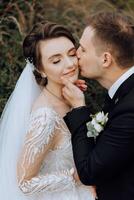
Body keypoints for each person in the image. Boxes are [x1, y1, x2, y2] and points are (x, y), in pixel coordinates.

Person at [0, 21, 96, 200]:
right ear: (40, 70)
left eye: (72, 54)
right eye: (56, 61)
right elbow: (24, 182)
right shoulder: (45, 117)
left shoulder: (71, 96)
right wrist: (75, 177)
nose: (69, 64)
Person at [62, 11, 134, 200]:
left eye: (83, 50)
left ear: (105, 59)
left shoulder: (130, 110)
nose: (76, 54)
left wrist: (78, 107)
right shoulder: (122, 92)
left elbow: (89, 172)